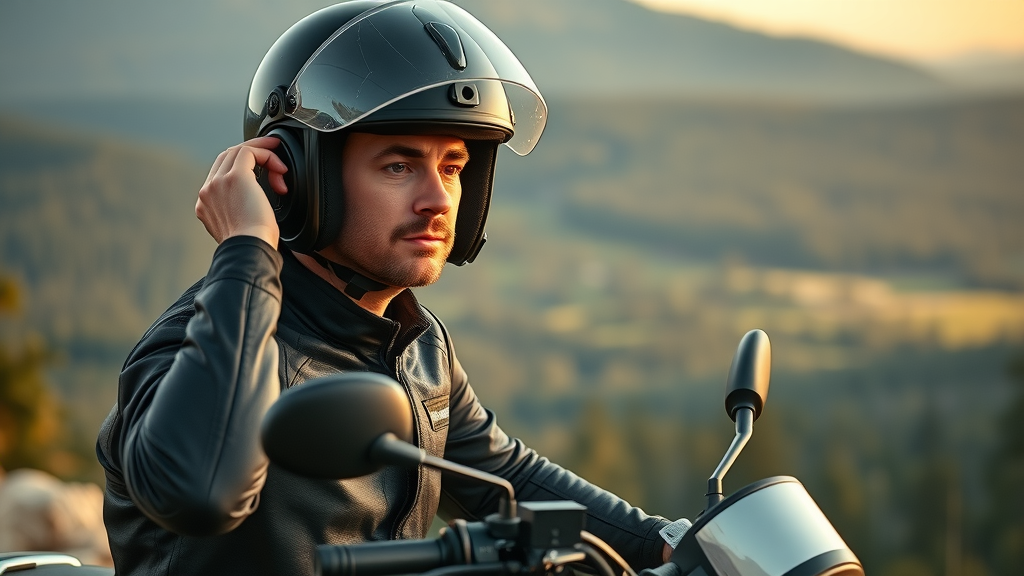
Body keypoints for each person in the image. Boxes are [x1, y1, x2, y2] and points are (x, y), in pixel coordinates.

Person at [96, 2, 674, 575]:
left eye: (451, 167)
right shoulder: (194, 348)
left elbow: (507, 478)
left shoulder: (416, 344)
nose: (440, 199)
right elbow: (200, 492)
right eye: (399, 166)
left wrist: (671, 544)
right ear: (298, 180)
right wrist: (248, 246)